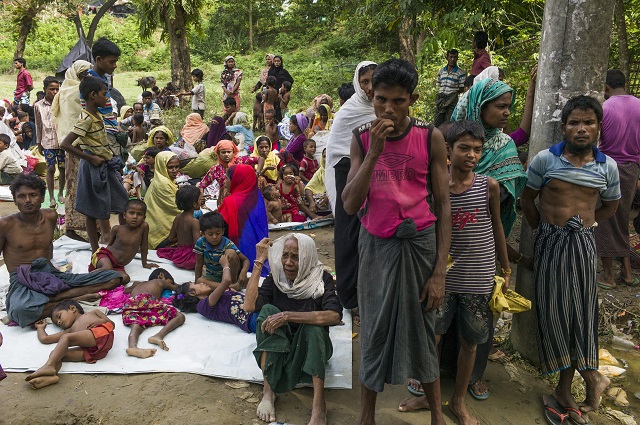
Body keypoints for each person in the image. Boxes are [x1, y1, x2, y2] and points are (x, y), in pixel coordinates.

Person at [342, 59, 451, 425]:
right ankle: (367, 416)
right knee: (372, 326)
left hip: (419, 244)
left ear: (412, 100)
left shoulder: (430, 137)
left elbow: (443, 204)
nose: (388, 109)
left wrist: (440, 272)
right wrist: (374, 150)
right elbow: (350, 204)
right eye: (381, 100)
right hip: (376, 246)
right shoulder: (360, 138)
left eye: (398, 101)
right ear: (371, 96)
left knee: (423, 326)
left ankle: (437, 413)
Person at [398, 120, 511, 423]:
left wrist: (505, 264)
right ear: (448, 150)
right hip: (442, 278)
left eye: (477, 149)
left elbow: (497, 226)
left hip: (479, 276)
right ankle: (429, 395)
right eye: (464, 148)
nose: (471, 154)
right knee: (432, 337)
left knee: (470, 341)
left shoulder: (489, 186)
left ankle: (458, 401)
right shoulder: (434, 189)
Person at [520, 95, 619, 424]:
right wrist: (544, 234)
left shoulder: (608, 167)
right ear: (563, 127)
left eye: (588, 123)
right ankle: (575, 385)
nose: (581, 129)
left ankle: (570, 387)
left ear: (598, 128)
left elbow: (610, 207)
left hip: (583, 245)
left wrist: (583, 228)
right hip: (550, 243)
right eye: (574, 122)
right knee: (552, 313)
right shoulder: (545, 160)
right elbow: (528, 200)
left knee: (581, 316)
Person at [450, 76, 527, 399]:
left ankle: (472, 377)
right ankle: (440, 372)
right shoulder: (452, 137)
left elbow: (501, 206)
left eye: (509, 107)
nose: (506, 112)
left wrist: (506, 262)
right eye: (500, 106)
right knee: (443, 316)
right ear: (480, 106)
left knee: (479, 317)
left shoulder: (504, 145)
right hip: (451, 247)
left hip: (482, 246)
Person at [243, 235, 343, 425]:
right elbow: (249, 306)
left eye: (295, 257)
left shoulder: (321, 278)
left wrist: (287, 316)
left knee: (313, 329)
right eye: (285, 255)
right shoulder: (277, 277)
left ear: (307, 257)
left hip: (311, 352)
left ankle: (319, 405)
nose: (288, 262)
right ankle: (268, 392)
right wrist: (259, 261)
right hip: (282, 352)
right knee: (266, 311)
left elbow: (334, 316)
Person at [325, 60, 376, 310]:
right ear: (357, 83)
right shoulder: (349, 111)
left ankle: (367, 290)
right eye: (364, 81)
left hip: (375, 172)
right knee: (348, 231)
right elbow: (336, 147)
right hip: (347, 169)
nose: (369, 87)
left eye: (373, 81)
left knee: (369, 232)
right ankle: (348, 294)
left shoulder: (384, 107)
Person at [60, 76, 129, 254]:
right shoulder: (86, 119)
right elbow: (66, 144)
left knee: (123, 202)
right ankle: (95, 249)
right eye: (104, 94)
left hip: (104, 164)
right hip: (92, 166)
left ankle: (122, 242)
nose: (106, 98)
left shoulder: (96, 114)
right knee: (91, 210)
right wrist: (89, 158)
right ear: (93, 95)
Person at [595, 69, 640, 289]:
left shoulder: (604, 108)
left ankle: (608, 276)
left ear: (605, 87)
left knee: (604, 219)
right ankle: (628, 272)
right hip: (632, 168)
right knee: (622, 218)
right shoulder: (639, 105)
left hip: (608, 165)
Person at [25, 300, 115, 389]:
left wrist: (101, 321)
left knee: (66, 338)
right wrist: (40, 328)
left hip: (101, 332)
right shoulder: (70, 330)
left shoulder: (93, 312)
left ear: (72, 308)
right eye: (57, 323)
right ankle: (51, 377)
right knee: (57, 354)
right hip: (94, 352)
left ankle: (49, 365)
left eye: (59, 316)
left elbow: (112, 324)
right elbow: (45, 339)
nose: (59, 322)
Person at [51, 60, 92, 242]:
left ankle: (79, 225)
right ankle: (76, 226)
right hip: (77, 144)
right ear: (76, 75)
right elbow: (76, 119)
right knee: (77, 184)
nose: (86, 78)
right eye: (83, 75)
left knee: (77, 183)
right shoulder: (75, 93)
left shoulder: (66, 92)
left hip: (76, 144)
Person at [173, 253, 259, 333]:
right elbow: (226, 281)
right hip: (251, 319)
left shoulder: (214, 295)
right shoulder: (202, 306)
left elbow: (232, 290)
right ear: (192, 292)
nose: (201, 283)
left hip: (256, 307)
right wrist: (225, 265)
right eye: (196, 284)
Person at [88, 199, 158, 283]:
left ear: (144, 217)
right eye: (131, 213)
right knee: (107, 268)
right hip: (105, 256)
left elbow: (144, 246)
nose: (135, 217)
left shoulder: (143, 227)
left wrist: (144, 263)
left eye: (139, 214)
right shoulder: (117, 229)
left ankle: (99, 283)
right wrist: (101, 259)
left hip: (118, 266)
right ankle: (83, 279)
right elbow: (108, 247)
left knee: (125, 278)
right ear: (124, 215)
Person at [122, 268, 184, 358]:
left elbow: (125, 290)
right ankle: (158, 336)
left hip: (131, 304)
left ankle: (132, 346)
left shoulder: (138, 284)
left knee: (137, 325)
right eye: (170, 282)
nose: (170, 284)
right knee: (180, 316)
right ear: (161, 275)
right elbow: (179, 288)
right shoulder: (159, 281)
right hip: (147, 300)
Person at [218, 164, 270, 271]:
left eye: (227, 178)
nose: (225, 182)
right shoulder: (256, 198)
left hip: (236, 253)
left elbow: (219, 224)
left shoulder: (231, 202)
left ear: (236, 180)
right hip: (255, 252)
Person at [86, 38, 124, 163]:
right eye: (111, 62)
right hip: (103, 137)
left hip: (110, 132)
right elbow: (91, 113)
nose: (115, 65)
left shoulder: (102, 79)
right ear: (98, 59)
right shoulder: (91, 82)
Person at [194, 211, 250, 290]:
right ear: (203, 233)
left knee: (231, 253)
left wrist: (243, 273)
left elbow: (246, 260)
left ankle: (232, 284)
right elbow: (199, 264)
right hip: (212, 277)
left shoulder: (227, 244)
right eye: (210, 234)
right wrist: (196, 284)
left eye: (218, 233)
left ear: (223, 231)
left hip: (229, 276)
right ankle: (229, 288)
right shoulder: (201, 242)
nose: (214, 237)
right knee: (200, 281)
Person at [34, 76, 63, 208]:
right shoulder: (38, 106)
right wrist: (39, 143)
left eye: (57, 89)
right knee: (50, 168)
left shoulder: (62, 103)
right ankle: (51, 196)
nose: (55, 92)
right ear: (45, 89)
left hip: (62, 141)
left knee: (62, 168)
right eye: (52, 89)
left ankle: (61, 193)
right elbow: (38, 125)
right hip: (48, 141)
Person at [157, 184, 201, 270]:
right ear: (194, 204)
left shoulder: (178, 217)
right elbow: (197, 246)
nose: (201, 201)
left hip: (179, 255)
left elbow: (171, 237)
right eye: (200, 199)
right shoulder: (195, 222)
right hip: (190, 257)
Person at [144, 151, 182, 249]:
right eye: (170, 167)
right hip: (159, 236)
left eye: (177, 167)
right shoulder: (163, 184)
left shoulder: (163, 180)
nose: (174, 170)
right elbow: (177, 209)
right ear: (162, 166)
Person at [433, 49, 466, 127]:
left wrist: (452, 93)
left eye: (455, 57)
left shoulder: (460, 73)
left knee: (449, 123)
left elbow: (462, 89)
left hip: (452, 101)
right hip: (441, 100)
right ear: (447, 57)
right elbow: (438, 85)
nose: (453, 59)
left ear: (457, 58)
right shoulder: (441, 71)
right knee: (437, 122)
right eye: (451, 57)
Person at [305, 148, 331, 216]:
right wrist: (311, 202)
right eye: (324, 156)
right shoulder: (321, 171)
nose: (326, 159)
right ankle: (313, 215)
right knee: (300, 199)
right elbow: (309, 187)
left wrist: (328, 197)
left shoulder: (338, 170)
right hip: (320, 200)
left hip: (332, 200)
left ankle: (326, 217)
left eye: (328, 156)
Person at [269, 55, 294, 122]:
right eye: (275, 61)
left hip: (282, 93)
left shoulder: (284, 72)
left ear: (281, 62)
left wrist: (286, 89)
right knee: (273, 107)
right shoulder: (271, 71)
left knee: (281, 108)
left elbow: (291, 80)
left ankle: (281, 122)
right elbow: (268, 81)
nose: (277, 63)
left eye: (278, 61)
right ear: (273, 62)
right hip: (273, 93)